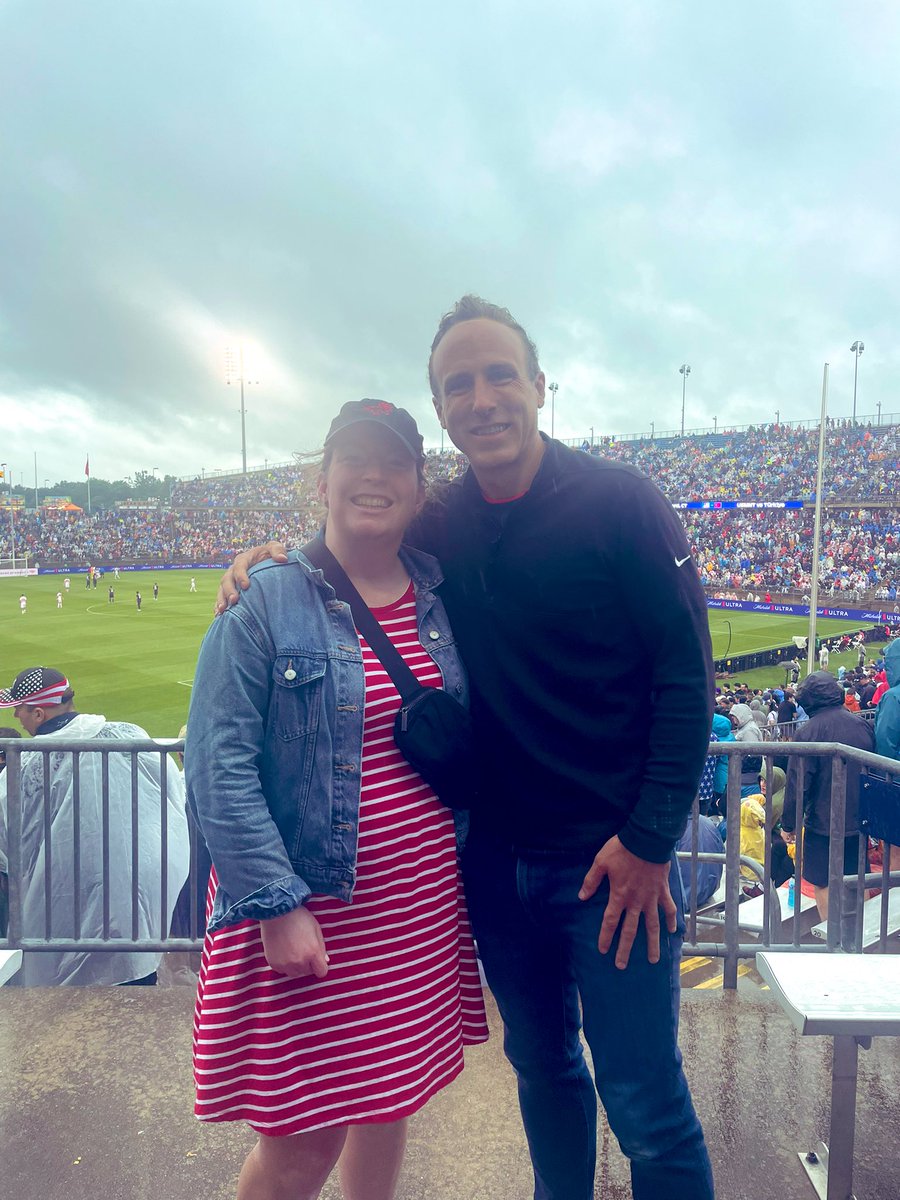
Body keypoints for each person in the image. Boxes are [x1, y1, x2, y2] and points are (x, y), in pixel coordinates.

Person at [218, 297, 715, 1200]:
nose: (481, 399)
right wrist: (266, 557)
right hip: (494, 866)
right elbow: (352, 531)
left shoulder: (623, 504)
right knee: (545, 1072)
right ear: (442, 409)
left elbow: (687, 678)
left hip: (611, 866)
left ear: (539, 385)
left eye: (498, 375)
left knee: (647, 1105)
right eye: (459, 384)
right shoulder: (441, 521)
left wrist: (650, 841)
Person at [186, 402, 488, 1200]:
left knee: (389, 1103)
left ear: (418, 487)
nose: (373, 477)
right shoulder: (265, 599)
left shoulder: (442, 594)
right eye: (354, 460)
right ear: (322, 481)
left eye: (393, 464)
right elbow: (217, 767)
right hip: (310, 919)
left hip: (415, 919)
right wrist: (277, 906)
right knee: (300, 1146)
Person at [0, 667, 190, 985]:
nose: (16, 716)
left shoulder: (23, 765)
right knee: (133, 990)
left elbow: (6, 847)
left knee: (65, 1005)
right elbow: (171, 796)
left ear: (38, 713)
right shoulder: (129, 734)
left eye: (19, 708)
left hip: (61, 918)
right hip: (134, 914)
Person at [780, 670, 873, 927]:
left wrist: (789, 824)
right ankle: (863, 934)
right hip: (859, 819)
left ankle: (834, 939)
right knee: (857, 877)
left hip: (823, 822)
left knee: (823, 881)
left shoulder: (808, 733)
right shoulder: (862, 725)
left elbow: (798, 784)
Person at [873, 638, 900, 876]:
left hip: (895, 783)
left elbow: (885, 744)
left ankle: (894, 894)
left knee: (894, 848)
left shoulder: (893, 697)